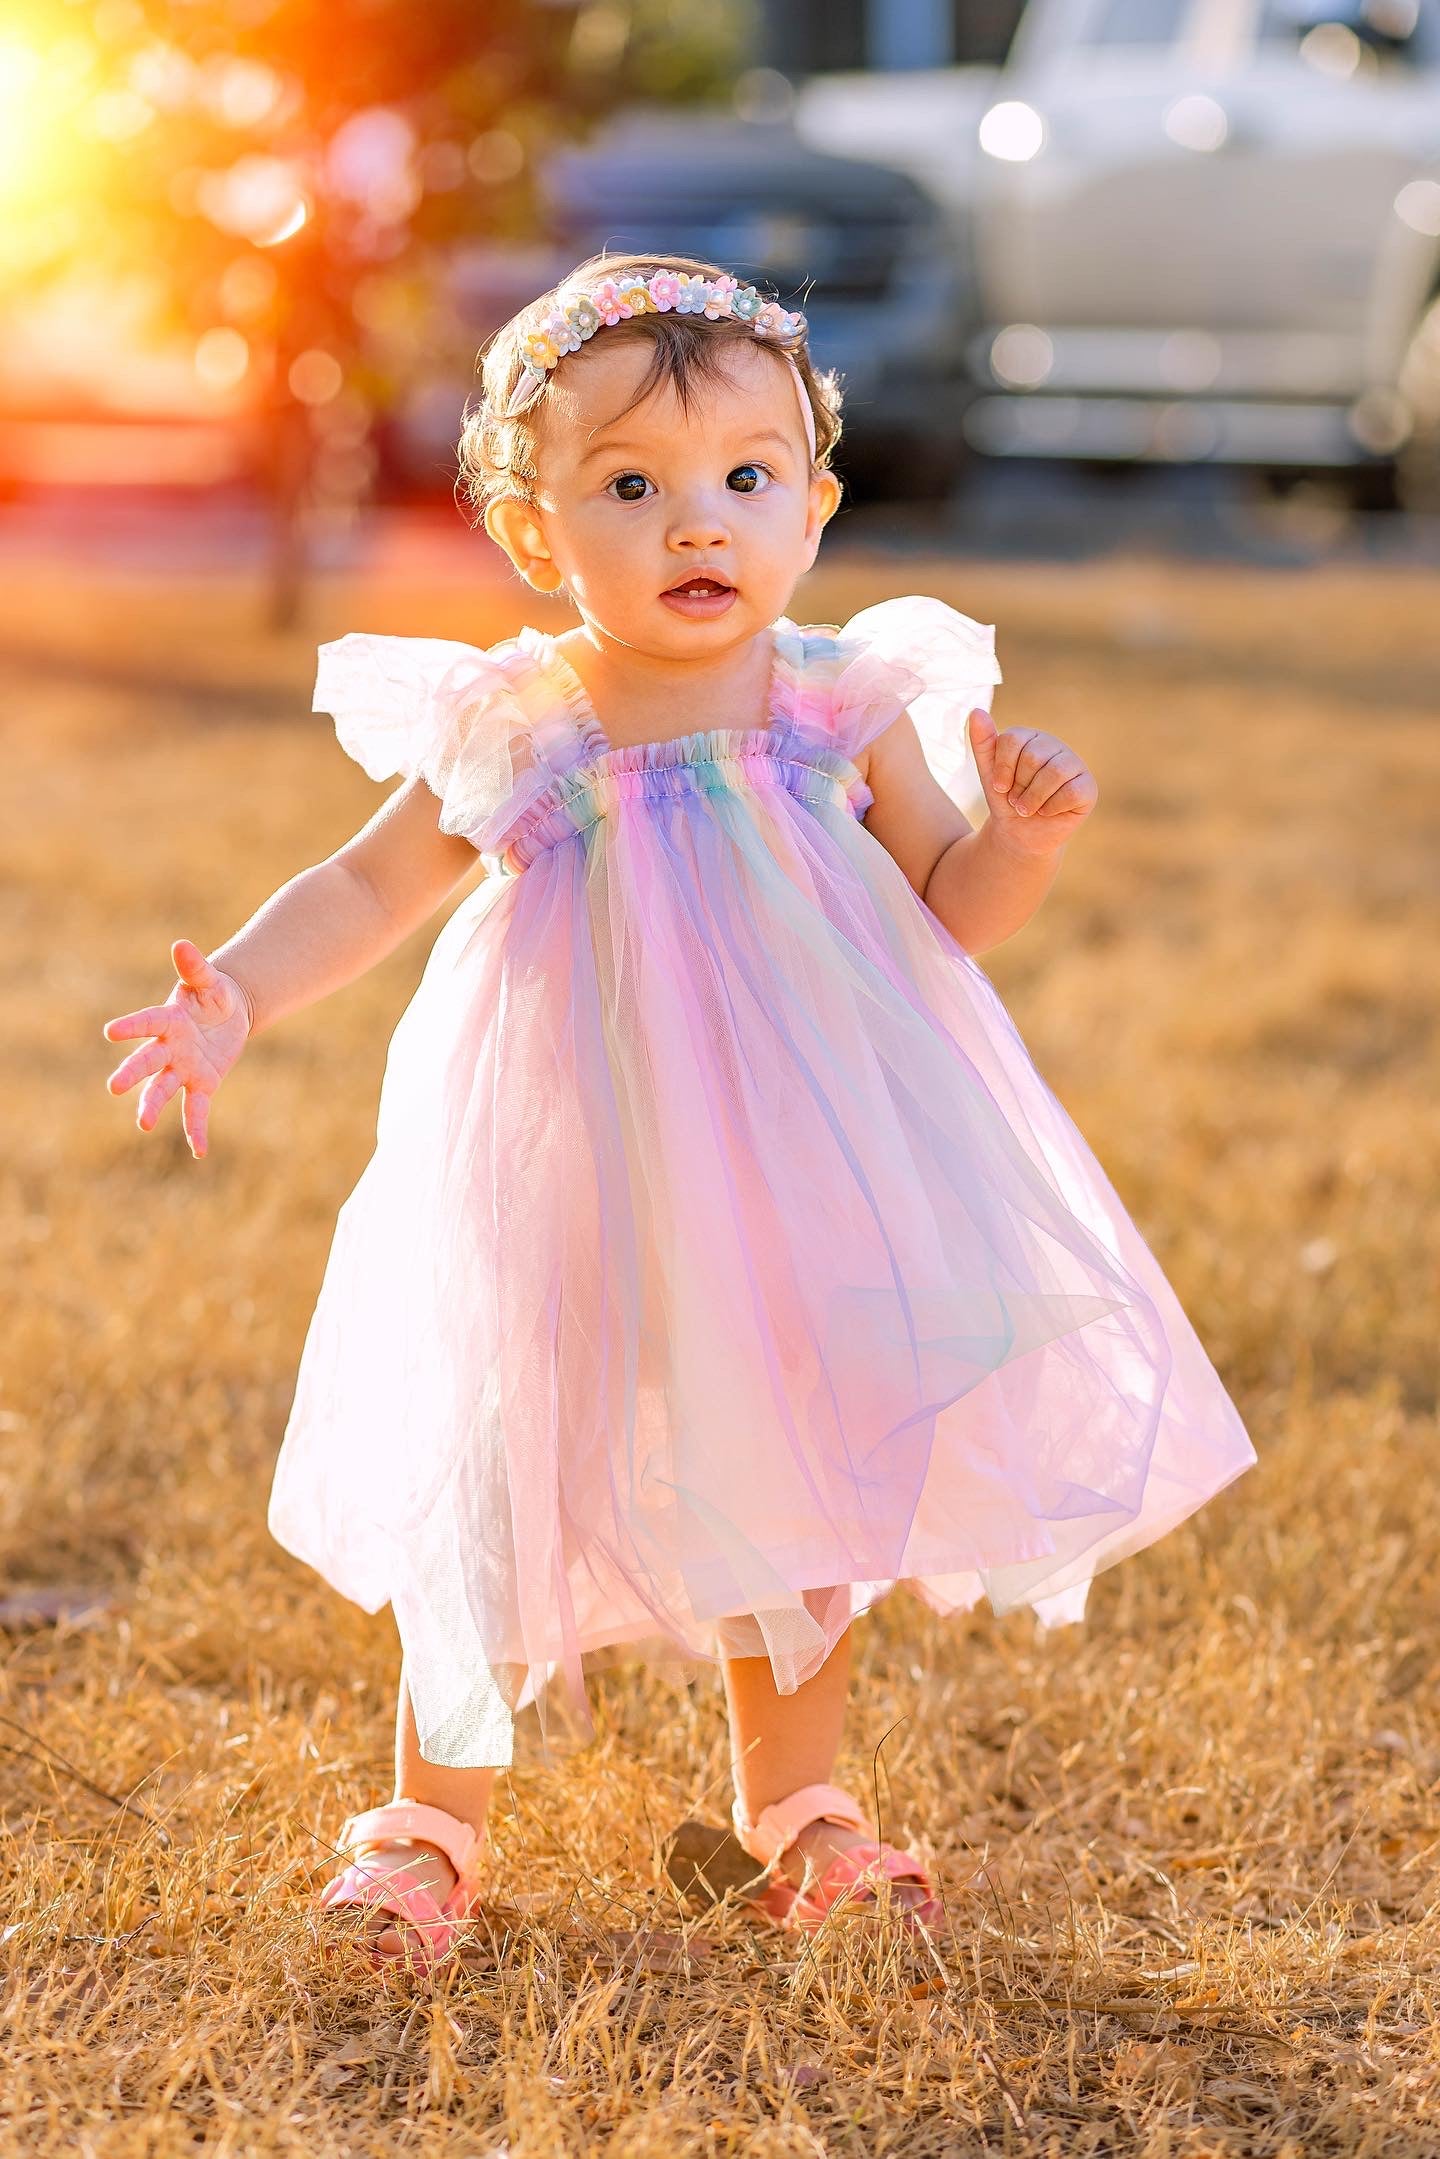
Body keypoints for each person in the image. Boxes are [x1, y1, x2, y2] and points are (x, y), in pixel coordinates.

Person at [101, 252, 1255, 1970]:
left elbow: (945, 907)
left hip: (791, 1156)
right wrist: (239, 994)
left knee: (789, 1443)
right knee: (507, 1443)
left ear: (812, 506)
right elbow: (361, 885)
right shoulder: (531, 718)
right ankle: (430, 1823)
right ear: (530, 530)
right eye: (630, 488)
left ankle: (796, 1809)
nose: (695, 524)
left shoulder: (838, 700)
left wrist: (1020, 841)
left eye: (742, 480)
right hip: (570, 1150)